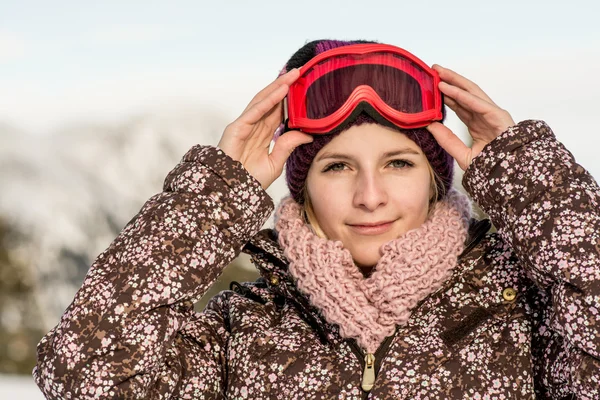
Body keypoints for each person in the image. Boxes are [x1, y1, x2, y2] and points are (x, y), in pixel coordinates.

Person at [33, 39, 600, 399]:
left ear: (435, 179)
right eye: (337, 168)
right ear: (302, 191)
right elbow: (85, 373)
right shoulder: (241, 331)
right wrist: (212, 198)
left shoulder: (527, 315)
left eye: (399, 163)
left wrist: (533, 182)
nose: (370, 196)